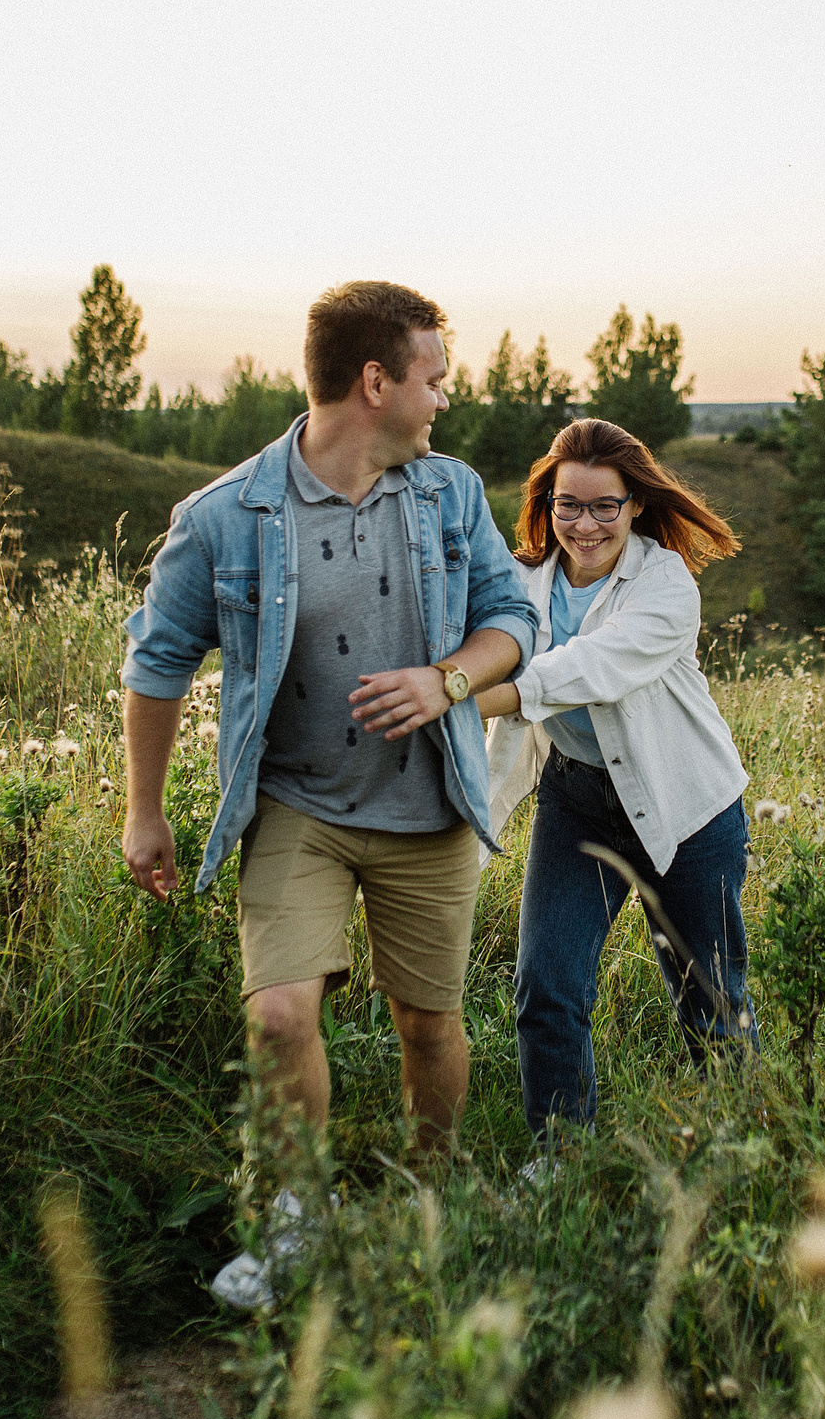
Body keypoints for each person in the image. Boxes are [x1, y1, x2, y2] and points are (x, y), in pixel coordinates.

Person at [118, 281, 536, 1300]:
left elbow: (514, 619)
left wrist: (446, 683)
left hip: (429, 806)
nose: (443, 399)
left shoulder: (451, 495)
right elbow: (157, 661)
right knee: (277, 1017)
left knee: (426, 1024)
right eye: (432, 379)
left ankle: (425, 1196)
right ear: (375, 380)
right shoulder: (224, 518)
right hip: (296, 808)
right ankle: (299, 1221)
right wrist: (145, 807)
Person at [475, 418, 758, 1136]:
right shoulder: (521, 580)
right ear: (547, 503)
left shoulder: (664, 582)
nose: (586, 522)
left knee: (710, 1000)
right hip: (577, 801)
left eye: (606, 505)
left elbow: (590, 668)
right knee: (547, 984)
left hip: (686, 807)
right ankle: (561, 1156)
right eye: (568, 504)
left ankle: (742, 1151)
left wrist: (473, 696)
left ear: (635, 503)